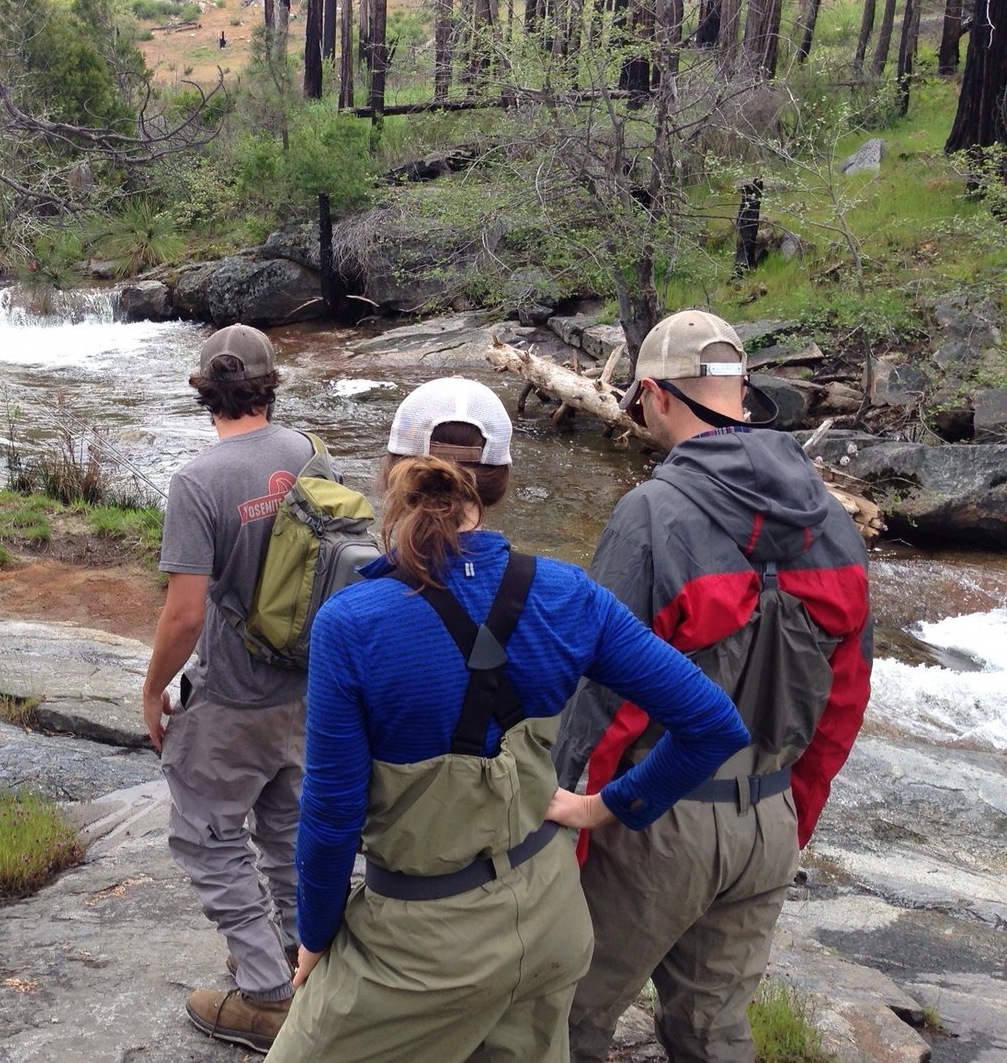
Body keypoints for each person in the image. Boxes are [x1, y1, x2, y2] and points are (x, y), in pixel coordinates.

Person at [267, 376, 751, 1063]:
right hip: (551, 917)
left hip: (420, 948)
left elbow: (331, 814)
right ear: (497, 484)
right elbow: (712, 723)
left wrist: (314, 937)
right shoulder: (566, 592)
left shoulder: (352, 622)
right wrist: (601, 807)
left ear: (391, 473)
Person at [554, 309, 873, 1063]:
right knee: (714, 1034)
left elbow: (603, 702)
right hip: (769, 820)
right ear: (742, 392)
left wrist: (570, 824)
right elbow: (844, 702)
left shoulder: (651, 514)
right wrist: (794, 816)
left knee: (565, 1015)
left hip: (653, 822)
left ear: (657, 395)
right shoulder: (833, 521)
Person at [141, 323, 316, 1052]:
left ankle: (265, 993)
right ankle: (312, 969)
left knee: (208, 839)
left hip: (233, 697)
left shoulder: (197, 481)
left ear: (203, 391)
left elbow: (184, 614)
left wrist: (152, 692)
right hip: (306, 688)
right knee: (286, 833)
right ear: (271, 385)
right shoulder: (307, 452)